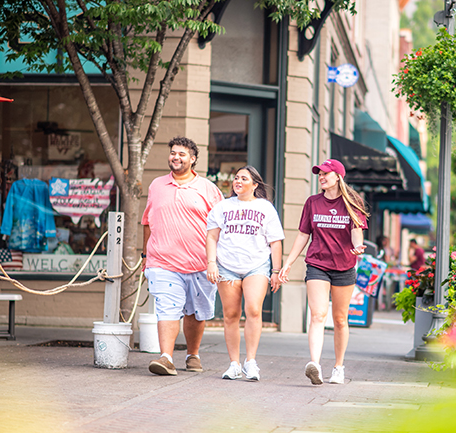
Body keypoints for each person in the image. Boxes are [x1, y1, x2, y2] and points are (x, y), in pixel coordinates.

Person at [279, 158, 368, 385]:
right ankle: (315, 364)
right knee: (318, 315)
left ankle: (338, 367)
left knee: (339, 319)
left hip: (344, 265)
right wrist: (288, 262)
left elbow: (357, 231)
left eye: (325, 174)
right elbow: (302, 235)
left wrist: (358, 247)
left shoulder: (353, 202)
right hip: (317, 263)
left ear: (338, 176)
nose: (321, 177)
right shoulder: (312, 202)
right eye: (319, 174)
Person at [142, 136, 224, 376]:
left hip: (200, 263)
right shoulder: (156, 185)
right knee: (167, 307)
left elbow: (221, 227)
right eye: (173, 153)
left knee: (196, 312)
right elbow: (147, 221)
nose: (176, 157)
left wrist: (217, 261)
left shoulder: (209, 189)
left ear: (193, 159)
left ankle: (192, 354)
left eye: (182, 154)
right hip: (163, 262)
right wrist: (146, 254)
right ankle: (166, 358)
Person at [205, 166, 285, 381]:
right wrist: (211, 263)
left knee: (253, 310)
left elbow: (275, 242)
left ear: (255, 184)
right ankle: (234, 364)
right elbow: (212, 237)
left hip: (256, 266)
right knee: (230, 315)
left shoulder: (265, 208)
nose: (238, 181)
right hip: (227, 266)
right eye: (236, 178)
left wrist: (276, 271)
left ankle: (251, 362)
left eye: (244, 178)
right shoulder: (222, 207)